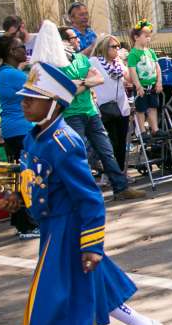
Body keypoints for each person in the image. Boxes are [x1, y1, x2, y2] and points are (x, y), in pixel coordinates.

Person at [8, 61, 162, 325]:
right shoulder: (36, 136)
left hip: (68, 231)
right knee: (97, 290)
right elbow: (36, 181)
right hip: (52, 229)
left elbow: (90, 197)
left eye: (32, 98)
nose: (24, 103)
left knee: (48, 304)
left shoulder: (63, 142)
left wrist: (91, 244)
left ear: (53, 104)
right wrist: (19, 197)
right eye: (25, 97)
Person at [51, 25, 145, 201]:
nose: (77, 40)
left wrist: (80, 83)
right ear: (62, 41)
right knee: (77, 154)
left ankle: (121, 187)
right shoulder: (56, 64)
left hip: (91, 112)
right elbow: (65, 89)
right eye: (72, 38)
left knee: (106, 150)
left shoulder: (81, 59)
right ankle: (82, 194)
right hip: (71, 114)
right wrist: (86, 82)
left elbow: (98, 79)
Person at [0, 34, 38, 239]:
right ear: (10, 52)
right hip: (19, 130)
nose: (24, 50)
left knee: (21, 176)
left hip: (18, 128)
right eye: (19, 47)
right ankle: (25, 224)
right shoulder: (10, 75)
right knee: (23, 177)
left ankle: (22, 222)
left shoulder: (7, 72)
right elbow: (39, 86)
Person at [87, 34, 134, 172]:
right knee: (111, 144)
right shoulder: (94, 62)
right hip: (104, 108)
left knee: (121, 144)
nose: (117, 49)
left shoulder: (118, 63)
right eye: (113, 46)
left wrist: (131, 63)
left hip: (121, 108)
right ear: (104, 47)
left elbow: (129, 78)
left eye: (118, 46)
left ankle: (120, 173)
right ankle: (112, 174)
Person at [125, 22, 164, 138]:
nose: (148, 38)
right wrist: (137, 85)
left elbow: (157, 67)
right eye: (145, 36)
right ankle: (142, 131)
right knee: (141, 109)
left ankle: (155, 129)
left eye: (149, 36)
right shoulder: (133, 54)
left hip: (152, 85)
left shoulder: (150, 52)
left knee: (153, 107)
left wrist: (159, 82)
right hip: (141, 87)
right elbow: (132, 70)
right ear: (136, 37)